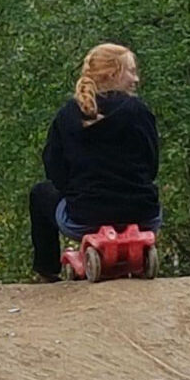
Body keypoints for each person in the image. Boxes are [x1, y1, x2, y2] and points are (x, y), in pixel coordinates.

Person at [30, 43, 161, 281]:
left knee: (40, 193)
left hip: (84, 218)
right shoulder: (139, 111)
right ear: (113, 74)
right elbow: (152, 167)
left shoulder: (67, 114)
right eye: (131, 71)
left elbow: (55, 171)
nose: (136, 78)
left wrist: (79, 191)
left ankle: (47, 269)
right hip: (144, 216)